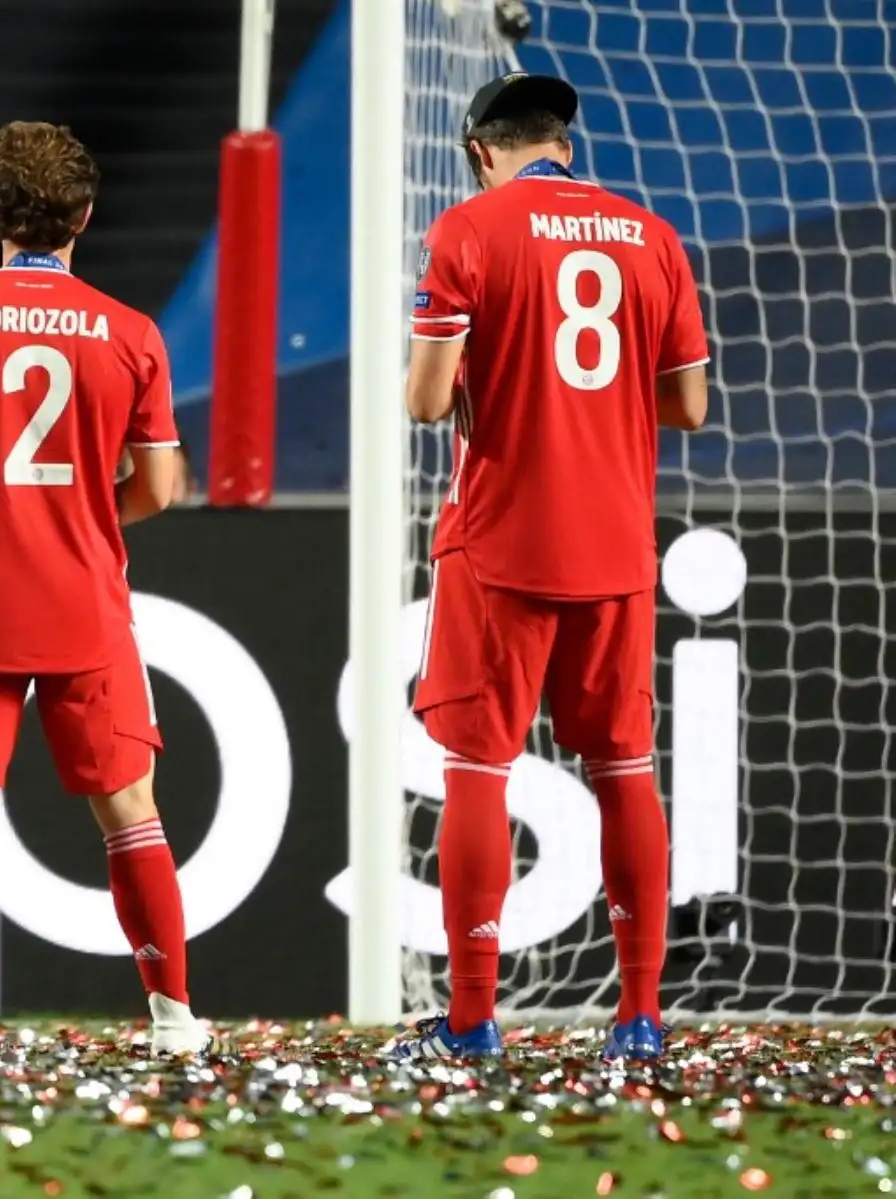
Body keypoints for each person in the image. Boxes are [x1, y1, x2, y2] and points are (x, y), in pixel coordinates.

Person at [392, 73, 709, 1062]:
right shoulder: (652, 237)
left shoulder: (469, 232)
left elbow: (426, 401)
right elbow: (688, 406)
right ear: (564, 144)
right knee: (624, 768)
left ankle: (476, 1018)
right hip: (614, 542)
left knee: (479, 767)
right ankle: (641, 1017)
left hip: (501, 541)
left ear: (482, 149)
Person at [0, 120, 209, 1056]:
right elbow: (160, 485)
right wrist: (85, 523)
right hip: (85, 597)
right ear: (85, 217)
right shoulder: (131, 333)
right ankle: (175, 1017)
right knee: (131, 810)